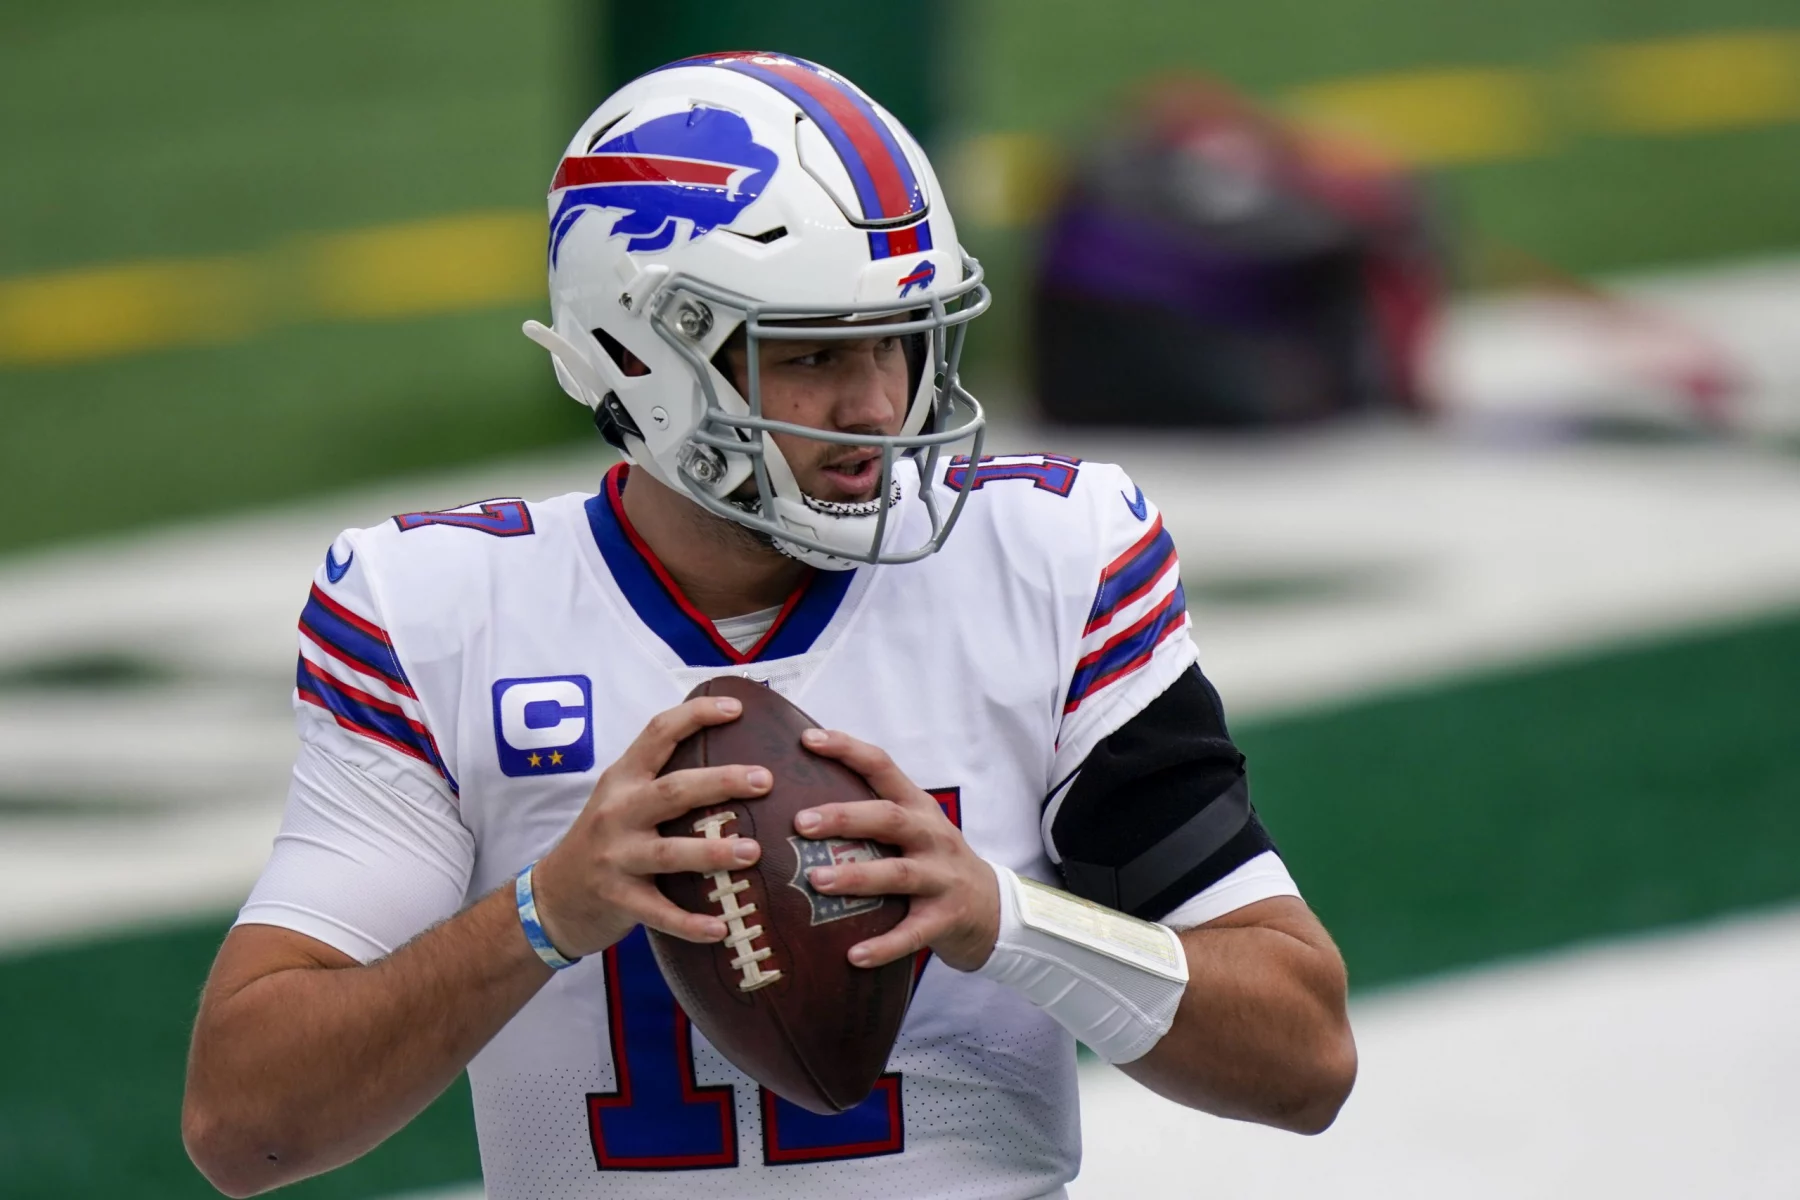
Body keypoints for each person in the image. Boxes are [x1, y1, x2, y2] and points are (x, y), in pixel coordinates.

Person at [182, 51, 1355, 1200]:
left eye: (900, 339)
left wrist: (1005, 919)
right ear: (637, 353)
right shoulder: (437, 611)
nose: (878, 406)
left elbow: (1304, 1059)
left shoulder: (1051, 557)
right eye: (809, 355)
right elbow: (244, 1128)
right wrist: (544, 913)